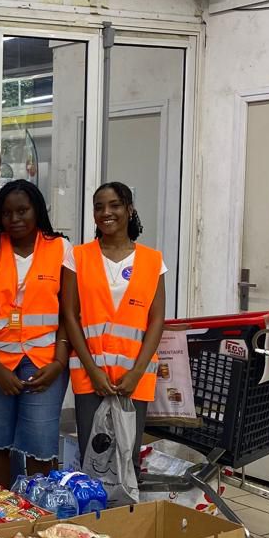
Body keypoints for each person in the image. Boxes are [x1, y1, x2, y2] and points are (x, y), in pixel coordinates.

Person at [62, 181, 166, 488]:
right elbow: (70, 315)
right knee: (93, 456)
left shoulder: (152, 260)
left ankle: (125, 515)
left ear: (129, 210)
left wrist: (136, 373)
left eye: (115, 205)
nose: (106, 212)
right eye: (99, 207)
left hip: (134, 376)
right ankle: (94, 515)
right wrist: (93, 370)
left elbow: (157, 319)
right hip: (90, 374)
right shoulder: (77, 256)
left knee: (127, 457)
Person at [0, 181, 74, 488]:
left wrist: (59, 363)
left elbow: (68, 313)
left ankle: (40, 509)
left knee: (41, 444)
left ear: (37, 210)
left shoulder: (61, 248)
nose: (14, 219)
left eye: (22, 211)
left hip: (44, 362)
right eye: (6, 213)